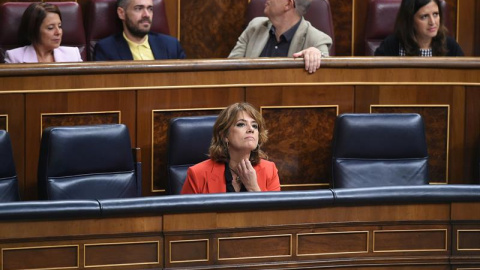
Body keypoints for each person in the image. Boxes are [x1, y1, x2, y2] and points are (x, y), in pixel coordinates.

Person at [181, 103, 281, 194]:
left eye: (255, 126)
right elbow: (184, 214)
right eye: (241, 124)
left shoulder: (269, 170)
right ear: (225, 135)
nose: (251, 129)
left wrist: (253, 187)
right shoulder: (197, 174)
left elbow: (275, 214)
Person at [228, 0, 332, 74]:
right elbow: (229, 70)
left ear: (288, 4)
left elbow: (324, 78)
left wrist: (317, 55)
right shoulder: (254, 27)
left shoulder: (317, 40)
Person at [94, 0, 185, 61]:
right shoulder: (106, 49)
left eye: (150, 9)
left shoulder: (172, 45)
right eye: (138, 8)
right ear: (121, 13)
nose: (146, 15)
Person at [375, 0, 464, 56]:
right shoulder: (391, 45)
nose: (432, 22)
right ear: (410, 20)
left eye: (435, 14)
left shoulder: (451, 46)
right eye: (424, 16)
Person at [4, 3, 82, 63]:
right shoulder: (14, 58)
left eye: (59, 26)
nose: (58, 32)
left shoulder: (73, 54)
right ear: (34, 30)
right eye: (50, 28)